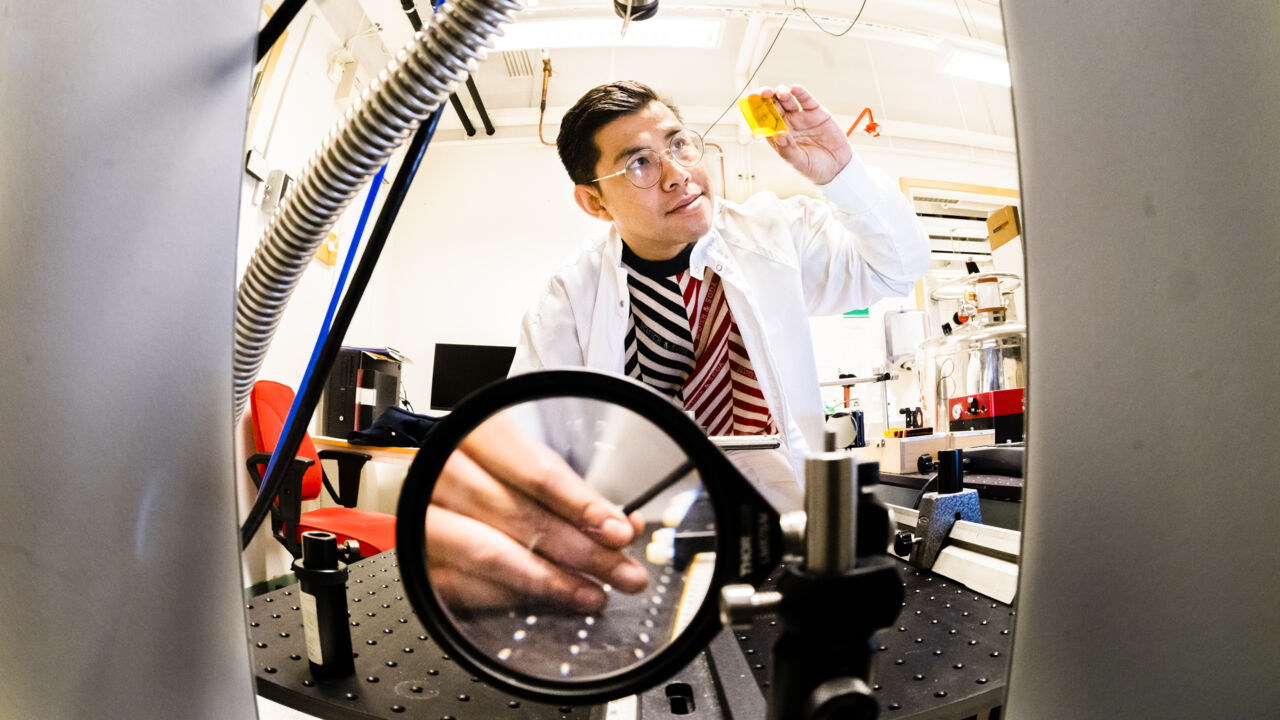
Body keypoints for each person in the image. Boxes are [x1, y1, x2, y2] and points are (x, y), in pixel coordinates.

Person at [511, 81, 930, 484]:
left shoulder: (777, 233)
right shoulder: (567, 302)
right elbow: (529, 448)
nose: (677, 174)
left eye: (678, 145)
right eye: (639, 163)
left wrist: (842, 173)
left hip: (781, 520)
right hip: (643, 532)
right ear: (595, 202)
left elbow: (898, 269)